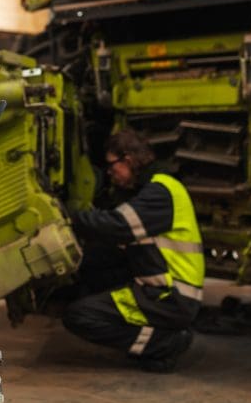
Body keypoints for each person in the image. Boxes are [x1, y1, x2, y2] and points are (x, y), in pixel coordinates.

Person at [63, 129, 204, 372]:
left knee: (78, 316)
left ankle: (164, 343)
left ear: (127, 160)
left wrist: (69, 215)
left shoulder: (162, 190)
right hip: (167, 290)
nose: (109, 173)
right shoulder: (156, 188)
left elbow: (118, 225)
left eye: (111, 166)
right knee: (91, 275)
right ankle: (159, 336)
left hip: (171, 296)